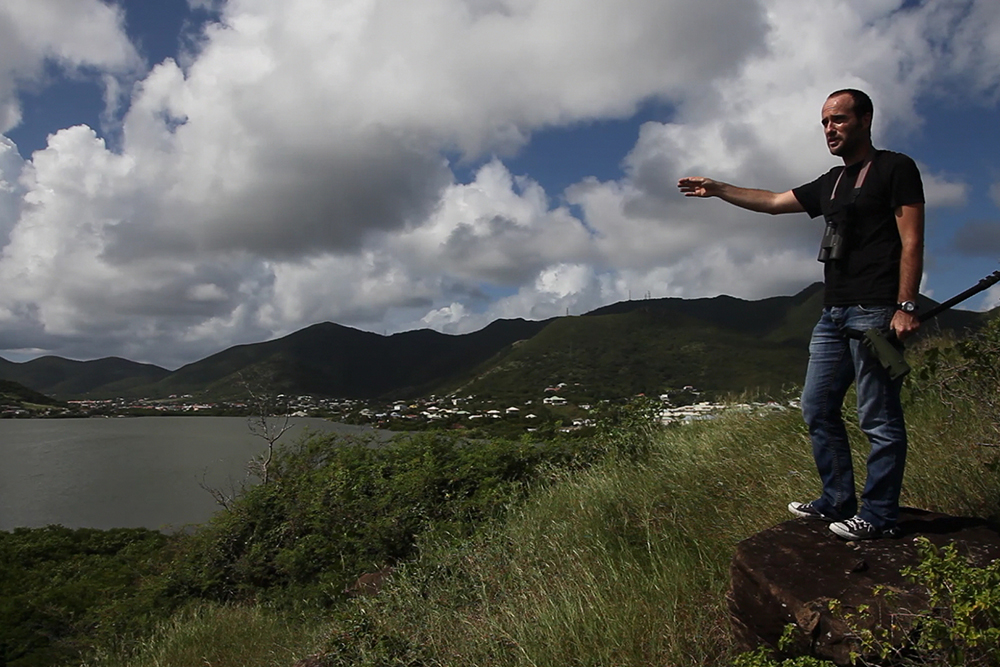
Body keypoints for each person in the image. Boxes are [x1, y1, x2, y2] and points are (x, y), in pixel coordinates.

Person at [677, 89, 925, 540]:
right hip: (832, 313)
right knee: (816, 407)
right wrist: (718, 190)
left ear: (865, 120)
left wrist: (906, 306)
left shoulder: (895, 168)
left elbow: (911, 240)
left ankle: (880, 515)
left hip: (875, 310)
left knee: (878, 417)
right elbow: (773, 202)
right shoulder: (831, 182)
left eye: (839, 119)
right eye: (825, 122)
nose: (830, 129)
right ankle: (837, 499)